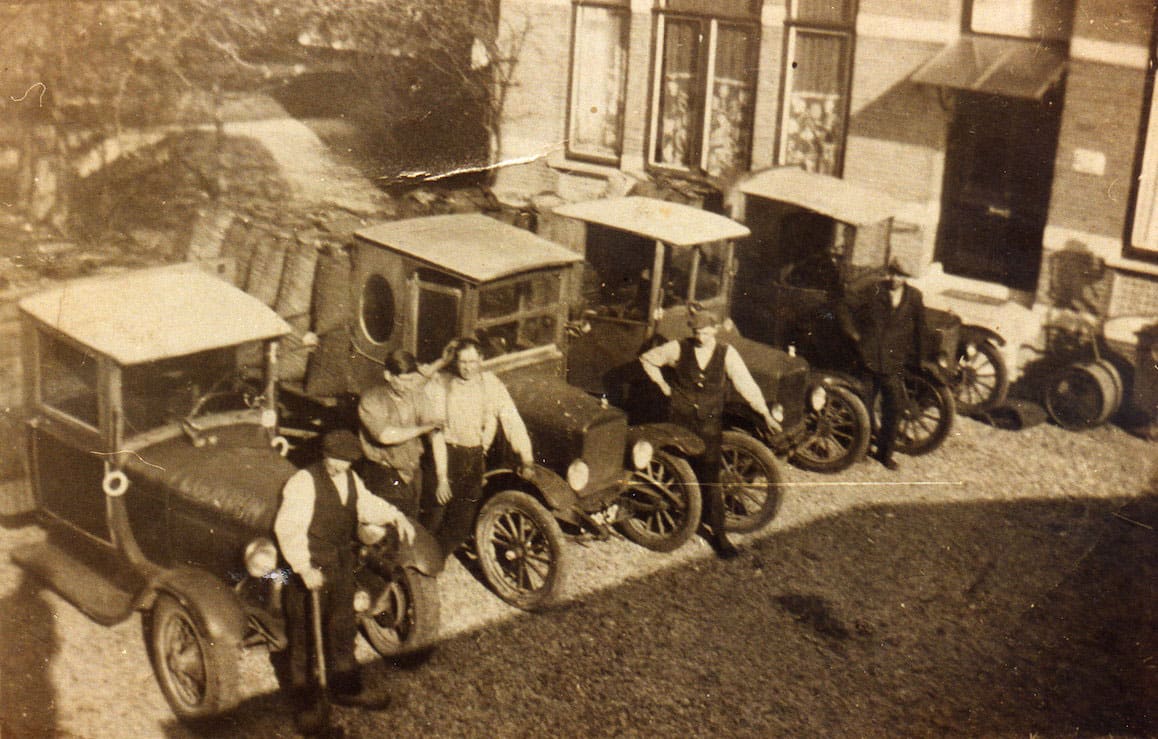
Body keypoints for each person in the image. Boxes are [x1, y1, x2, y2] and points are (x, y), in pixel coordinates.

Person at [274, 429, 416, 734]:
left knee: (343, 627)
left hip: (340, 565)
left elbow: (367, 504)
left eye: (346, 461)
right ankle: (307, 705)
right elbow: (288, 528)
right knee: (304, 639)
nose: (340, 466)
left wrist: (395, 516)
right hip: (310, 569)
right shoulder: (303, 482)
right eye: (336, 460)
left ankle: (347, 688)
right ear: (324, 455)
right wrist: (303, 567)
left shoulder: (351, 479)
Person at [639, 311, 779, 559]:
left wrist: (765, 414)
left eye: (704, 332)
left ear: (714, 330)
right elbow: (647, 359)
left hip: (709, 425)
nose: (700, 337)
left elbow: (746, 384)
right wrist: (662, 385)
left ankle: (719, 534)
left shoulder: (727, 353)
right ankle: (681, 518)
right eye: (696, 332)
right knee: (680, 471)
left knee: (711, 478)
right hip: (680, 421)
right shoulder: (678, 348)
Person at [422, 337, 536, 559]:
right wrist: (442, 477)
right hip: (445, 455)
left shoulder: (490, 384)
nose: (467, 367)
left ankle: (435, 560)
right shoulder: (441, 383)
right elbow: (436, 434)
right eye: (462, 362)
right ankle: (417, 562)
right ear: (455, 361)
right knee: (434, 515)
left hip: (473, 458)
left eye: (472, 361)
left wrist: (527, 458)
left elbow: (511, 420)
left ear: (481, 359)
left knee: (461, 523)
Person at [846, 258, 926, 471]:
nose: (894, 279)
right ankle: (861, 449)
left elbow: (920, 329)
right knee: (864, 405)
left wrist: (919, 361)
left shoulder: (914, 297)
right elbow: (846, 307)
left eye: (899, 275)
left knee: (894, 408)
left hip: (893, 362)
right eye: (891, 273)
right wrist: (854, 335)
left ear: (906, 278)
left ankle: (885, 454)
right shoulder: (874, 290)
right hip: (868, 359)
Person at [356, 349, 447, 519]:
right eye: (403, 380)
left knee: (411, 525)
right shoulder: (371, 399)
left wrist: (442, 477)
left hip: (412, 475)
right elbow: (385, 436)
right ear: (388, 375)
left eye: (412, 380)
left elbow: (436, 434)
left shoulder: (417, 396)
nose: (408, 386)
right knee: (387, 525)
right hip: (383, 476)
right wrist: (423, 429)